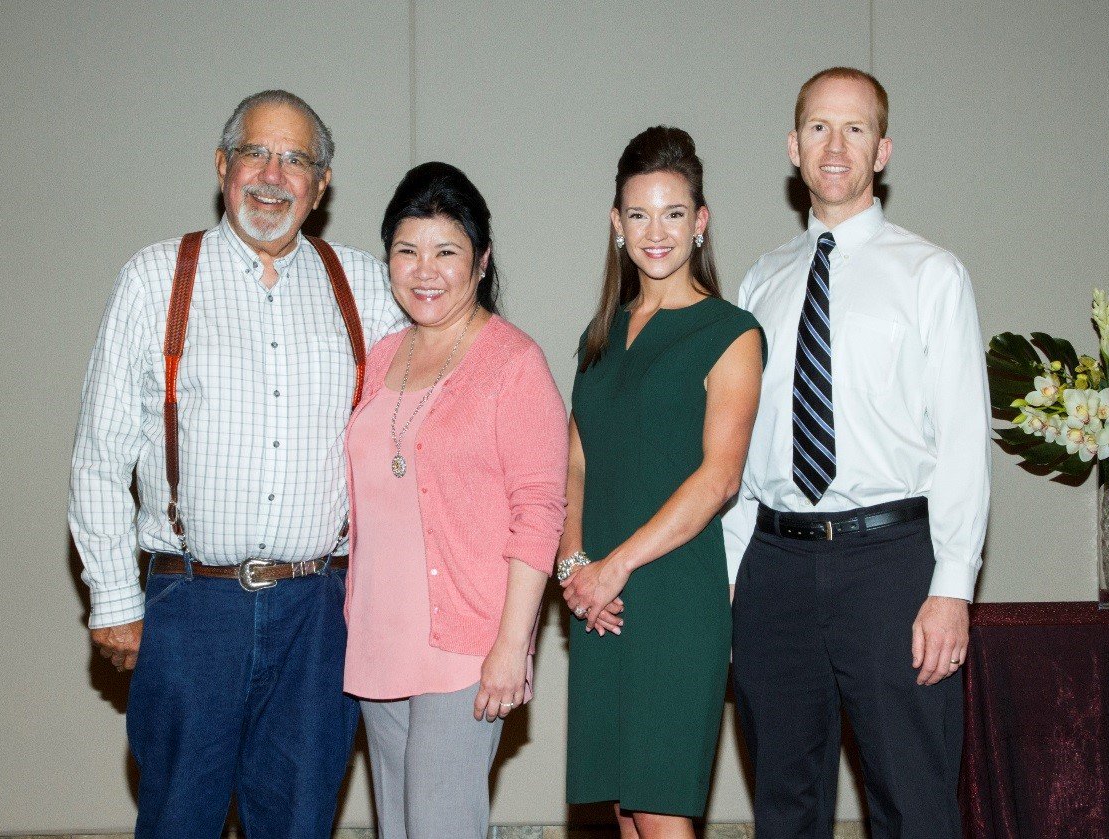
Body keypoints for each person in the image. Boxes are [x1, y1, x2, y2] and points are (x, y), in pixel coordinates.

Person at [69, 90, 405, 838]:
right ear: (223, 164)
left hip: (319, 614)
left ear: (320, 186)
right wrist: (113, 598)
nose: (272, 175)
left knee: (297, 823)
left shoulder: (367, 286)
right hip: (193, 609)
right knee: (178, 820)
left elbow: (444, 389)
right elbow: (99, 456)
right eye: (256, 151)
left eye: (295, 160)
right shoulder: (157, 276)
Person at [723, 67, 990, 839]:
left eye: (854, 128)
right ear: (792, 147)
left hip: (892, 567)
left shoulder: (931, 274)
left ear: (882, 150)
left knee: (912, 802)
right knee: (783, 805)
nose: (833, 145)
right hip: (773, 567)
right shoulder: (759, 282)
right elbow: (743, 451)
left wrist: (952, 585)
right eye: (817, 127)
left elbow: (964, 443)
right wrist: (733, 578)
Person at [343, 161, 568, 839]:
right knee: (400, 830)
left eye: (446, 251)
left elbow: (540, 511)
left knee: (441, 827)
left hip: (465, 646)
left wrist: (511, 645)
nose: (425, 270)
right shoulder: (379, 357)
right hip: (378, 641)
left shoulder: (512, 362)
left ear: (481, 260)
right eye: (406, 251)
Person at [561, 126, 764, 838]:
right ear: (616, 224)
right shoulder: (599, 337)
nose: (656, 231)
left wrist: (613, 566)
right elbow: (575, 461)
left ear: (699, 221)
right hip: (598, 599)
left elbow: (719, 477)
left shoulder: (731, 332)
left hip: (673, 594)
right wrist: (574, 567)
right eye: (638, 214)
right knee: (622, 807)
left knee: (659, 804)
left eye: (673, 213)